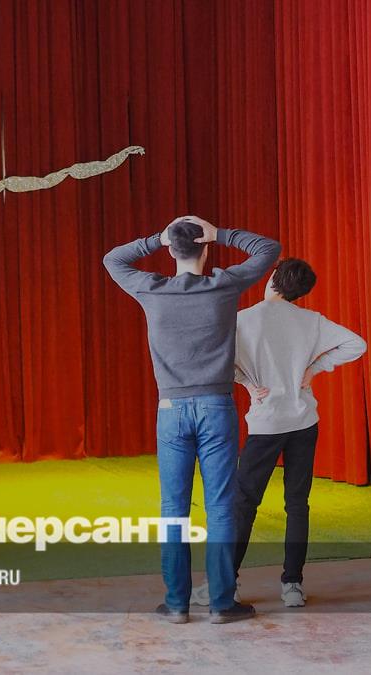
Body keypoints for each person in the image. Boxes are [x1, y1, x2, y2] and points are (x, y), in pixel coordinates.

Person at [103, 215, 280, 624]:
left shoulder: (152, 289)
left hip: (171, 410)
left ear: (171, 249)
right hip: (217, 407)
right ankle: (221, 603)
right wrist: (221, 234)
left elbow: (113, 259)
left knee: (173, 509)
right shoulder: (223, 284)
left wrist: (155, 238)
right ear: (205, 248)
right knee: (220, 508)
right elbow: (269, 249)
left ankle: (177, 604)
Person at [191, 257, 366, 608]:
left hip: (267, 423)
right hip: (303, 421)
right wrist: (315, 368)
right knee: (297, 504)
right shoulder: (311, 321)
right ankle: (292, 586)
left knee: (243, 504)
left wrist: (247, 383)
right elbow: (356, 344)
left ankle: (225, 584)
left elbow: (214, 357)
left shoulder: (243, 320)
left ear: (272, 278)